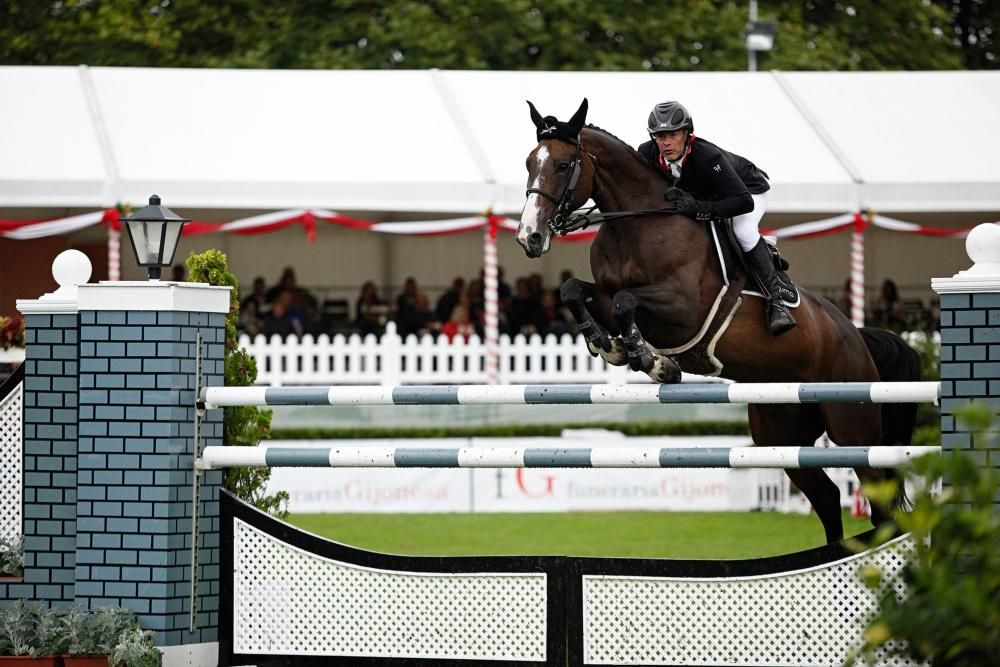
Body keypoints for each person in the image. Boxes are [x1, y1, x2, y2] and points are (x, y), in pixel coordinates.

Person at [637, 101, 795, 336]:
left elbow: (743, 202)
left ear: (687, 134)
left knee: (742, 230)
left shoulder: (706, 157)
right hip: (709, 195)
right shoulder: (647, 153)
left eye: (673, 134)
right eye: (660, 136)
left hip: (747, 190)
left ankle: (777, 302)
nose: (666, 142)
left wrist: (699, 208)